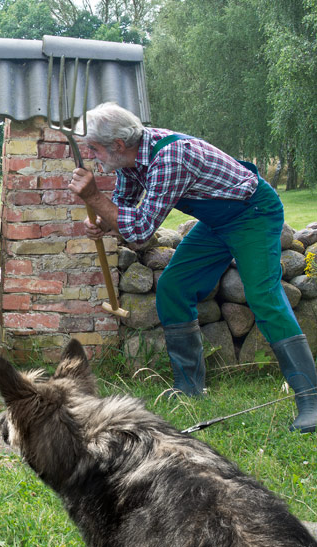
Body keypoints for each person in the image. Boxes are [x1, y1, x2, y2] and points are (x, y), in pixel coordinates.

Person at [68, 101, 316, 433]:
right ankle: (189, 388)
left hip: (253, 213)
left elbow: (141, 233)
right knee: (174, 286)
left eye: (94, 148)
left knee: (263, 294)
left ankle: (311, 398)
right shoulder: (129, 160)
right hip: (217, 222)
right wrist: (103, 222)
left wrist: (95, 197)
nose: (92, 155)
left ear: (118, 145)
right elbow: (124, 211)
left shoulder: (170, 157)